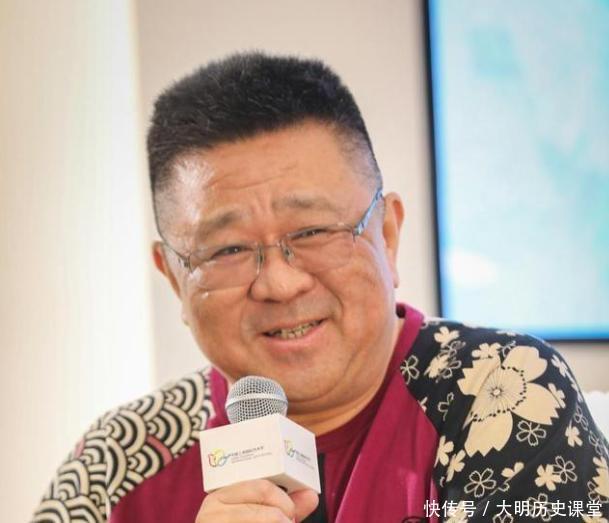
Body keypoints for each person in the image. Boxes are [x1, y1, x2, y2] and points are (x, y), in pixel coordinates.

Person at [32, 52, 608, 523]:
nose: (279, 283)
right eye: (228, 250)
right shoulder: (120, 461)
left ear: (387, 234)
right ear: (173, 277)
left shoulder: (505, 389)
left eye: (311, 232)